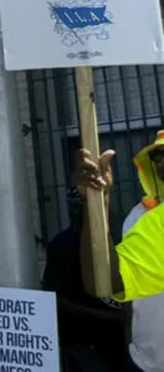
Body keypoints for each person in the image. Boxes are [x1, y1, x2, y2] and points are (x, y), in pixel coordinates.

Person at [41, 188, 124, 371]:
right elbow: (56, 300)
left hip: (121, 344)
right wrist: (111, 318)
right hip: (87, 346)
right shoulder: (67, 244)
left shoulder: (118, 237)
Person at [76, 147, 164, 302]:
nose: (161, 163)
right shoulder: (152, 220)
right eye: (157, 158)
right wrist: (96, 201)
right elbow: (105, 281)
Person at [119, 135, 164, 372]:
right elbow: (127, 285)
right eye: (157, 157)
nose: (162, 163)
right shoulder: (137, 217)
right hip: (144, 360)